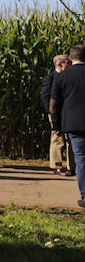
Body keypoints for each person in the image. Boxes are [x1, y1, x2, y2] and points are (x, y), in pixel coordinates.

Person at [50, 44, 85, 210]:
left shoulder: (62, 77)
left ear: (71, 58)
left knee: (81, 159)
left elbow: (54, 104)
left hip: (74, 124)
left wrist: (56, 125)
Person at [43, 54, 75, 176]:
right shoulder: (50, 78)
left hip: (68, 113)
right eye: (69, 62)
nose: (71, 65)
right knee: (57, 139)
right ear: (60, 64)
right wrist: (51, 113)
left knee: (70, 140)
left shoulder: (68, 77)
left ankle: (71, 166)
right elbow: (46, 97)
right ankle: (56, 166)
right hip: (55, 112)